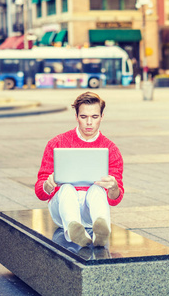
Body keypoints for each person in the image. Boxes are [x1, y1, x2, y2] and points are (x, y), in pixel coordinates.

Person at [35, 91, 124, 248]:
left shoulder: (111, 149)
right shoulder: (57, 143)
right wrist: (47, 185)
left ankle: (100, 234)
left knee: (97, 190)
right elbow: (40, 192)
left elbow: (115, 199)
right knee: (67, 188)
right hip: (62, 210)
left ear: (102, 116)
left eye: (94, 117)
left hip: (91, 211)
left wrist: (114, 187)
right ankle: (74, 231)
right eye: (84, 117)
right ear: (76, 116)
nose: (89, 122)